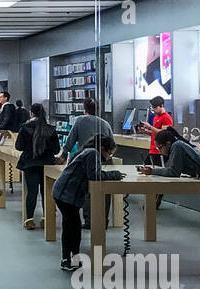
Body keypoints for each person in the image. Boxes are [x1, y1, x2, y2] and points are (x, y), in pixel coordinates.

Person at [140, 127, 200, 263]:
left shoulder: (178, 146)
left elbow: (174, 172)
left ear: (168, 144)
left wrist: (152, 172)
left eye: (160, 148)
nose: (160, 152)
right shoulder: (176, 147)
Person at [52, 134, 123, 272]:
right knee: (73, 228)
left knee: (70, 226)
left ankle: (69, 259)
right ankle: (70, 259)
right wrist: (114, 175)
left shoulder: (88, 152)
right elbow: (94, 176)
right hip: (66, 194)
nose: (109, 157)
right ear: (102, 148)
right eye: (109, 153)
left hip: (64, 192)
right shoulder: (93, 154)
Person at [15, 103, 60, 230]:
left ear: (31, 113)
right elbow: (56, 150)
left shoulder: (25, 128)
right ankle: (46, 219)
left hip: (30, 164)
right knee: (47, 192)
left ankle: (29, 220)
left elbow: (19, 146)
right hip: (47, 165)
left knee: (32, 192)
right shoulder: (51, 129)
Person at [135, 95, 174, 206]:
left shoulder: (166, 118)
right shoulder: (156, 118)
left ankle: (156, 198)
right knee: (145, 171)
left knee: (157, 175)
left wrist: (150, 127)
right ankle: (150, 197)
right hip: (152, 150)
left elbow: (164, 134)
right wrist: (146, 131)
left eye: (154, 108)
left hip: (160, 152)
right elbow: (156, 133)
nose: (153, 110)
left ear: (161, 106)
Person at [58, 96, 112, 161]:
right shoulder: (106, 124)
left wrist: (63, 155)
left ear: (85, 110)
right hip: (101, 162)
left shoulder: (79, 120)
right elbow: (112, 147)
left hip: (84, 161)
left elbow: (70, 142)